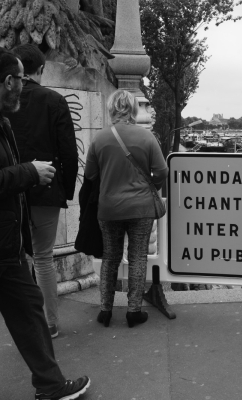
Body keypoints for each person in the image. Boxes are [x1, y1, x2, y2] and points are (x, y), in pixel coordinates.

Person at [0, 46, 89, 400]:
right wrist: (29, 173)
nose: (25, 85)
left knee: (30, 316)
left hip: (3, 244)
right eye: (21, 79)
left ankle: (51, 385)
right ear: (8, 81)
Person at [6, 44, 79, 339]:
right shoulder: (54, 100)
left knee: (19, 258)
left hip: (10, 187)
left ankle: (26, 321)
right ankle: (49, 322)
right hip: (46, 188)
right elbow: (69, 152)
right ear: (40, 69)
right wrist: (67, 190)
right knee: (44, 257)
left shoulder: (4, 101)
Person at [85, 89, 168, 328]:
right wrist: (151, 184)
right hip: (141, 207)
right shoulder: (146, 138)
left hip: (109, 207)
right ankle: (134, 311)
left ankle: (105, 310)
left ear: (111, 109)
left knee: (110, 257)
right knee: (137, 256)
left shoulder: (100, 138)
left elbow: (90, 174)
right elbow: (162, 171)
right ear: (133, 110)